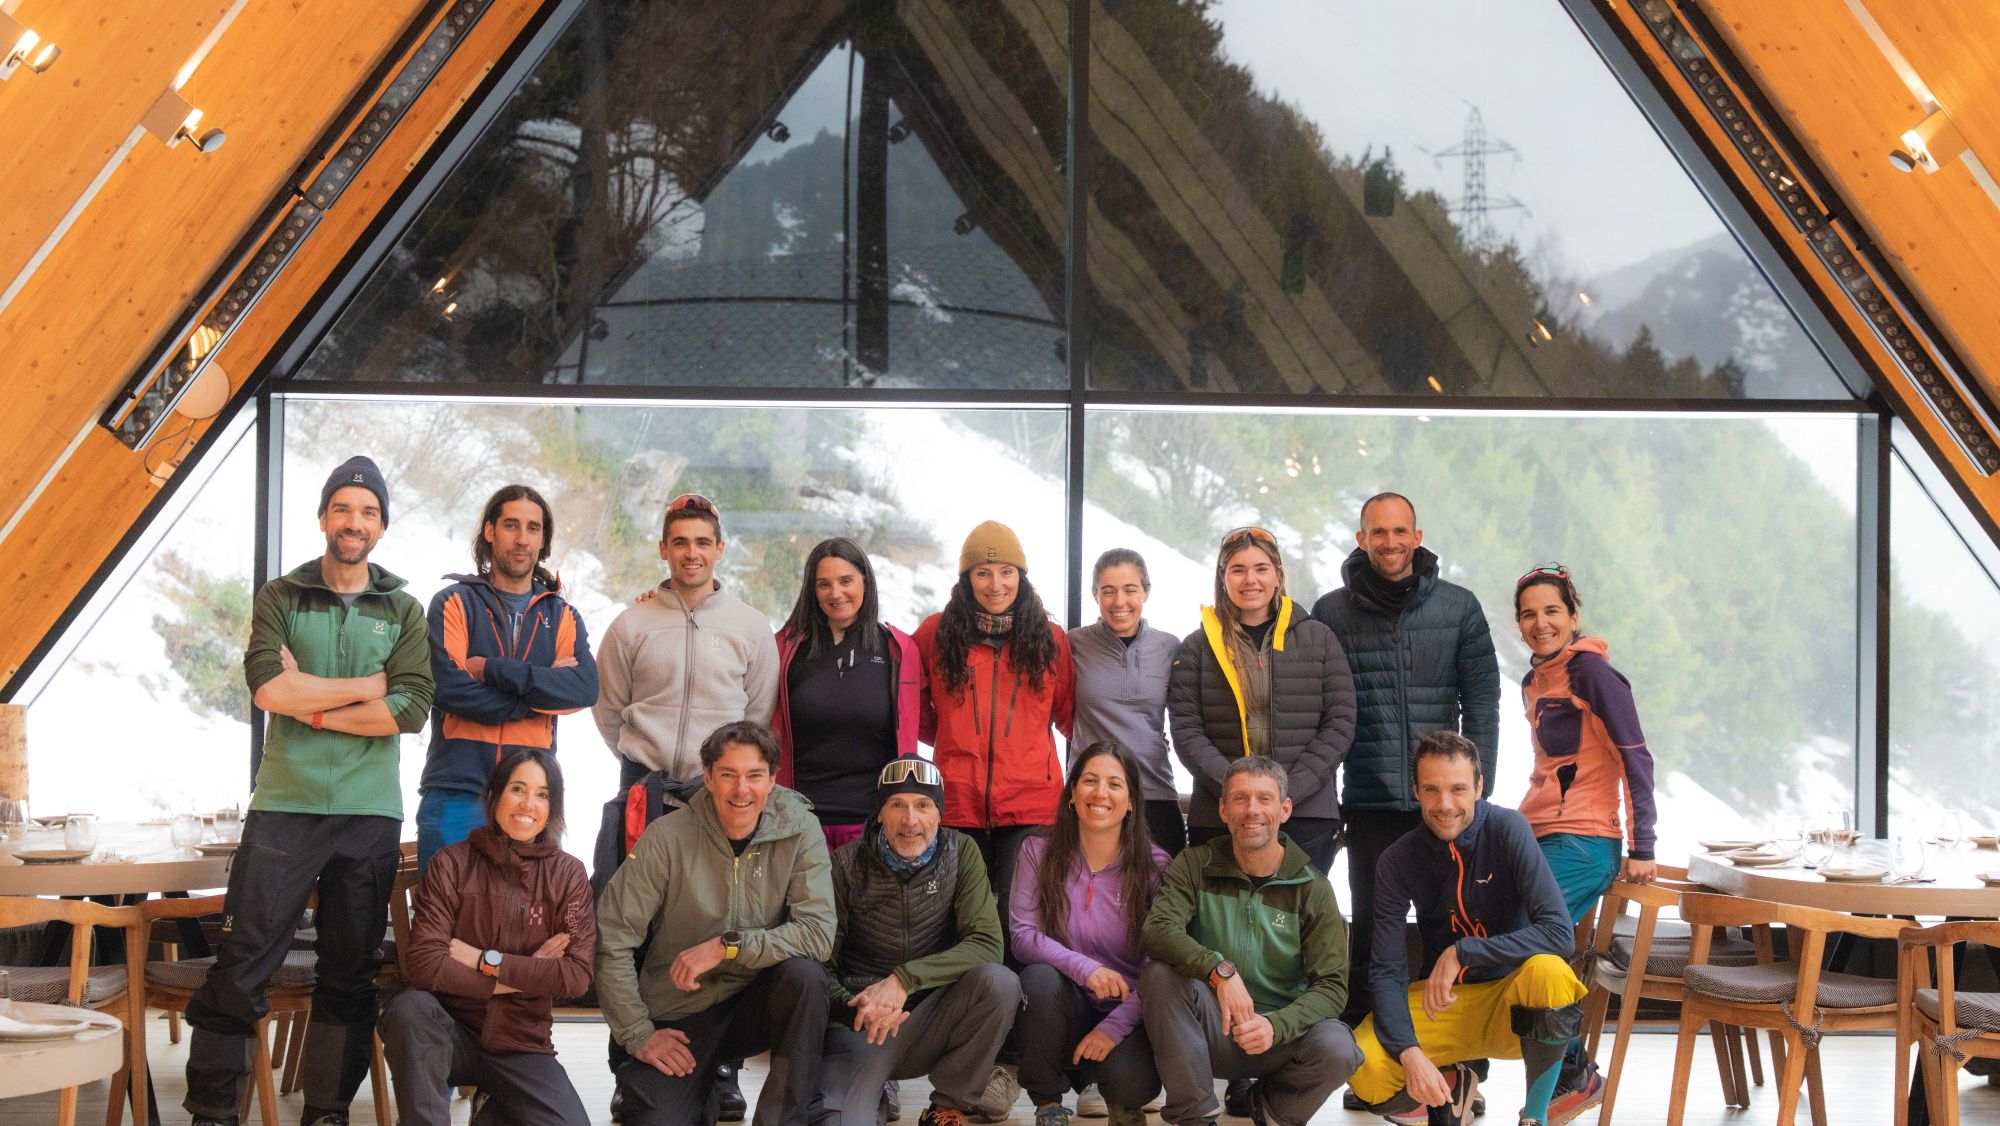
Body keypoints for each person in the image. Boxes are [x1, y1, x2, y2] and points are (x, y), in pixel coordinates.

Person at [186, 456, 434, 1126]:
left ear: (382, 526)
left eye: (369, 512)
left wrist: (312, 707)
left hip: (369, 811)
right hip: (285, 804)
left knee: (350, 972)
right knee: (242, 959)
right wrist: (369, 685)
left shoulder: (405, 609)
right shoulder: (281, 595)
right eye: (344, 508)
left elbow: (410, 711)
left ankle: (326, 1113)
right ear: (325, 516)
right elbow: (268, 688)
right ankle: (212, 1113)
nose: (355, 522)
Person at [593, 491, 779, 1117]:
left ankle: (719, 1070)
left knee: (713, 931)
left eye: (703, 542)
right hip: (643, 793)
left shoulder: (750, 627)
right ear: (663, 549)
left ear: (720, 549)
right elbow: (608, 708)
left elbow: (756, 716)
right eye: (681, 542)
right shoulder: (633, 623)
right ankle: (630, 1062)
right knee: (632, 931)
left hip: (717, 799)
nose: (692, 553)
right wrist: (641, 761)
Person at [1309, 491, 1499, 1029]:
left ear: (1417, 537)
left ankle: (1457, 1064)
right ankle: (1372, 1058)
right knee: (1372, 926)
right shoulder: (1331, 612)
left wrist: (1475, 788)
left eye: (1400, 532)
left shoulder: (1459, 607)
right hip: (1369, 798)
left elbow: (1482, 702)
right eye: (1378, 532)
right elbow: (1324, 708)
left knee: (1454, 927)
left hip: (1445, 802)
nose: (1389, 543)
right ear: (1361, 539)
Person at [594, 720, 835, 1125]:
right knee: (655, 1120)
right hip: (683, 1011)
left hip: (756, 1000)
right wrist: (638, 1033)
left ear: (773, 779)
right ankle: (696, 1090)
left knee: (807, 978)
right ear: (707, 778)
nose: (742, 790)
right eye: (728, 775)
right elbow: (612, 937)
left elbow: (818, 933)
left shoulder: (800, 829)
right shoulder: (667, 837)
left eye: (755, 776)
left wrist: (729, 945)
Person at [914, 520, 1074, 1118]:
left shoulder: (1050, 640)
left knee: (1017, 936)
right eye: (983, 572)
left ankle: (1009, 1066)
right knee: (962, 932)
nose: (995, 583)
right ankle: (961, 1060)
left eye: (1006, 571)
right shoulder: (935, 635)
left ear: (1022, 576)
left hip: (1030, 810)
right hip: (954, 809)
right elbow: (924, 717)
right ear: (966, 578)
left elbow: (1065, 715)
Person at [1348, 732, 1589, 1126]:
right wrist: (1409, 1053)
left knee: (1551, 973)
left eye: (1458, 789)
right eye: (1432, 790)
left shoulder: (1508, 828)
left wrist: (1464, 951)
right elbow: (1388, 970)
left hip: (1512, 1006)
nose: (1445, 805)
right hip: (1444, 1004)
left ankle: (1535, 1116)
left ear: (1479, 786)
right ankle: (1453, 1081)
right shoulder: (1397, 860)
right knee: (1363, 1066)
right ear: (1416, 791)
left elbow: (1559, 934)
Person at [1137, 756, 1362, 1126]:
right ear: (1224, 810)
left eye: (1264, 798)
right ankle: (1195, 1116)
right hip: (1211, 1028)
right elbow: (1157, 931)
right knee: (1159, 977)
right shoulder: (1195, 864)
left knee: (1339, 1047)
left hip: (1280, 1037)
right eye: (1240, 799)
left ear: (1284, 809)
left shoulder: (1313, 887)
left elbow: (1333, 988)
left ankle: (1273, 1109)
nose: (1252, 810)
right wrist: (1219, 971)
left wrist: (1278, 1025)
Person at [381, 748, 595, 1125]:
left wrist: (485, 961)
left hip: (522, 1045)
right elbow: (425, 966)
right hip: (450, 1033)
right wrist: (526, 975)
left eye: (542, 794)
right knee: (409, 1010)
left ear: (553, 805)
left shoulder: (569, 875)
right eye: (518, 789)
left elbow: (576, 976)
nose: (529, 804)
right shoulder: (452, 863)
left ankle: (494, 1109)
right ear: (494, 795)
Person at [1513, 562, 1657, 1111]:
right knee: (1511, 938)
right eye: (1529, 614)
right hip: (1539, 834)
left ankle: (1569, 1082)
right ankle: (1570, 1075)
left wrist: (1643, 845)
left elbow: (1636, 758)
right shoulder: (1535, 679)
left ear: (1573, 616)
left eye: (1552, 611)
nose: (1540, 622)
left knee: (1523, 940)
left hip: (1586, 840)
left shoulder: (1594, 673)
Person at [815, 758, 1021, 1126]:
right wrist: (853, 1005)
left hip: (932, 1020)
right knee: (839, 1121)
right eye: (897, 805)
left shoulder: (963, 853)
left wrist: (904, 979)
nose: (910, 820)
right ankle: (872, 1094)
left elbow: (988, 943)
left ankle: (947, 1106)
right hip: (863, 1024)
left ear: (939, 814)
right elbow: (820, 966)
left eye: (923, 805)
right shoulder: (844, 865)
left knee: (998, 982)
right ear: (880, 814)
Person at [418, 484, 598, 870]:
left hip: (531, 798)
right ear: (489, 531)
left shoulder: (562, 616)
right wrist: (540, 695)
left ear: (543, 540)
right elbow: (448, 688)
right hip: (457, 789)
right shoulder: (454, 602)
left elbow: (585, 688)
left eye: (533, 528)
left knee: (527, 926)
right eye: (511, 525)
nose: (522, 539)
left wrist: (491, 670)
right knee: (442, 920)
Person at [1167, 525, 1355, 870]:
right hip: (1220, 816)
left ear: (1278, 575)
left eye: (1261, 568)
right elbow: (1187, 731)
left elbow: (1339, 723)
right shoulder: (1197, 647)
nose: (1250, 579)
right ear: (1223, 578)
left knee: (1298, 921)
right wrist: (1240, 795)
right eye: (1238, 569)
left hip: (1305, 813)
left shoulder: (1319, 639)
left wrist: (1284, 794)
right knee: (1222, 922)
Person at [1010, 742, 1168, 1126]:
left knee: (1129, 1083)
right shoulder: (1037, 851)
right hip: (1065, 1005)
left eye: (1114, 784)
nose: (1100, 793)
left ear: (1130, 801)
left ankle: (1118, 1096)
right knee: (1038, 978)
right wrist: (1085, 969)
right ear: (1072, 793)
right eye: (1090, 781)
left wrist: (1114, 1027)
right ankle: (1048, 1103)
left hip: (1129, 1013)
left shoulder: (1156, 866)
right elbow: (1022, 934)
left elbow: (1161, 965)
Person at [773, 536, 923, 851]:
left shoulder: (898, 650)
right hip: (800, 823)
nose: (836, 593)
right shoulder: (786, 649)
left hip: (874, 825)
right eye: (824, 584)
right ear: (812, 591)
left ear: (865, 581)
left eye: (846, 581)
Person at [1069, 549, 1185, 855]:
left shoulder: (1169, 647)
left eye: (1130, 590)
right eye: (1108, 591)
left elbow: (1186, 719)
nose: (1119, 602)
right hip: (1094, 794)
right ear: (1095, 594)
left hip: (1154, 791)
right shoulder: (1073, 645)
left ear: (1146, 592)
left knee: (1163, 896)